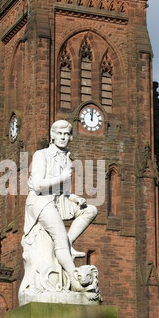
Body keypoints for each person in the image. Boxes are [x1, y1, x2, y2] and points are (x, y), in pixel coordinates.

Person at [23, 120, 97, 291]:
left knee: (90, 210)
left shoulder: (66, 158)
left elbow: (63, 191)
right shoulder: (41, 155)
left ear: (70, 137)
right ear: (52, 135)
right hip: (40, 200)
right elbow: (38, 184)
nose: (63, 138)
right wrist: (63, 177)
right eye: (59, 134)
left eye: (66, 134)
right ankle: (75, 280)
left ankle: (67, 244)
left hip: (59, 200)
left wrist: (75, 198)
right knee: (60, 239)